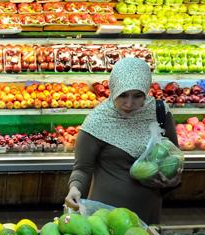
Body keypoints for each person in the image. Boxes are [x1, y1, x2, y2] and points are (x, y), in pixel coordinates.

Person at [64, 57, 181, 224]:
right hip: (106, 214)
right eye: (123, 95)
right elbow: (82, 168)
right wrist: (74, 189)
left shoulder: (159, 112)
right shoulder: (98, 121)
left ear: (146, 91)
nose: (129, 103)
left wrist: (172, 175)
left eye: (138, 96)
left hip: (148, 210)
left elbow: (172, 154)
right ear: (113, 90)